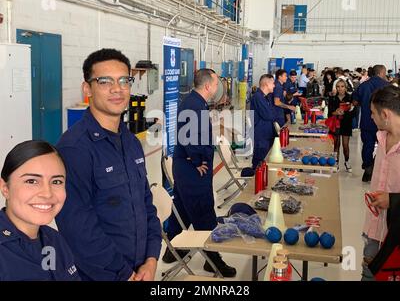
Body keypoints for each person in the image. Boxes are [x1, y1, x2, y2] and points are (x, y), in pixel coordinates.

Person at [55, 48, 161, 281]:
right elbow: (77, 228)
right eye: (105, 81)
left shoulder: (131, 142)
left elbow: (146, 204)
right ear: (87, 89)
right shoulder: (75, 148)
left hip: (142, 270)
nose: (117, 89)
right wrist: (124, 273)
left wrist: (152, 259)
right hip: (101, 275)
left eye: (124, 80)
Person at [162, 69, 236, 277]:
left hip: (186, 167)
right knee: (204, 211)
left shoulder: (195, 102)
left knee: (183, 208)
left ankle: (172, 251)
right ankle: (212, 261)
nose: (217, 87)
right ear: (207, 86)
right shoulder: (194, 105)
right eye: (216, 83)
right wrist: (198, 161)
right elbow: (189, 137)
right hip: (192, 168)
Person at [0, 140, 80, 281]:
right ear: (5, 188)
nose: (47, 193)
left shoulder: (55, 240)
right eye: (31, 181)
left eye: (56, 182)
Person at [361, 84, 400, 280]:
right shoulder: (381, 138)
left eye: (372, 113)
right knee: (367, 274)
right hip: (374, 227)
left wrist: (392, 200)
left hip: (395, 236)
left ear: (385, 114)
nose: (370, 117)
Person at [352, 65, 388, 182]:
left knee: (367, 145)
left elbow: (355, 102)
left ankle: (368, 168)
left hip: (367, 121)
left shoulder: (364, 85)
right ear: (382, 72)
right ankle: (377, 168)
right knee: (384, 146)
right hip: (384, 123)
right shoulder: (387, 86)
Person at [327, 79, 355, 172]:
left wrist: (347, 110)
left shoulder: (350, 98)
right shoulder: (333, 98)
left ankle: (347, 161)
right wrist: (336, 112)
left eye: (342, 86)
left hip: (346, 123)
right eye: (338, 86)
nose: (340, 88)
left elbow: (354, 113)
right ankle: (336, 162)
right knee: (336, 144)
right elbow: (329, 113)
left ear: (345, 87)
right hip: (336, 124)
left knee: (345, 145)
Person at [250, 74, 277, 169]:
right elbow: (269, 115)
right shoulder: (258, 97)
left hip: (266, 134)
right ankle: (254, 182)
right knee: (259, 164)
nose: (274, 85)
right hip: (261, 136)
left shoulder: (265, 97)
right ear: (266, 84)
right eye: (273, 83)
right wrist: (273, 114)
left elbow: (272, 113)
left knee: (264, 162)